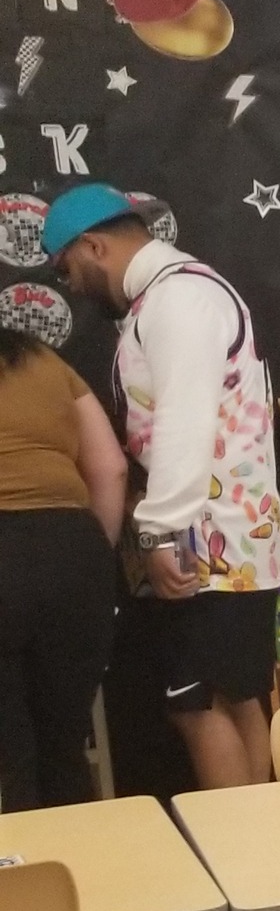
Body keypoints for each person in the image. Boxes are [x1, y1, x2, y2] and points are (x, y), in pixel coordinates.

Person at [44, 184, 280, 818]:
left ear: (95, 245)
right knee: (236, 697)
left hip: (204, 540)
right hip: (232, 534)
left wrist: (157, 533)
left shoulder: (177, 299)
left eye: (68, 269)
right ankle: (263, 869)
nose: (71, 286)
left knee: (196, 706)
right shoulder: (179, 295)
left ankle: (242, 874)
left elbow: (183, 422)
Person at [0, 326, 127, 810]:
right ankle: (79, 879)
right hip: (72, 551)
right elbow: (110, 466)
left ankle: (25, 881)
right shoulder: (47, 362)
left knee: (10, 753)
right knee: (63, 745)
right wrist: (93, 554)